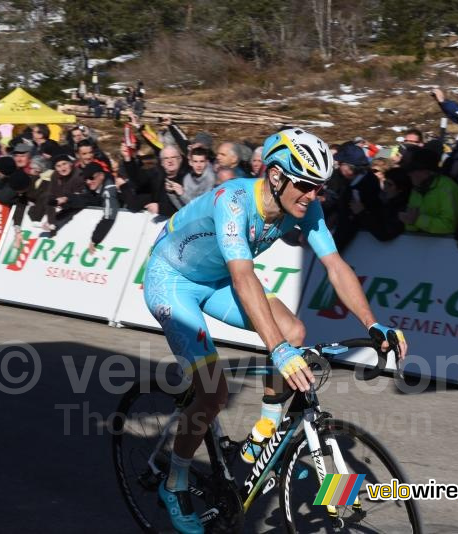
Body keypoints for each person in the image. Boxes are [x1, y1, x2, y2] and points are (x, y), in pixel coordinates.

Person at [143, 128, 408, 533]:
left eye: (319, 188)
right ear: (276, 176)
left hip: (215, 278)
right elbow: (243, 276)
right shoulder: (234, 201)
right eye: (305, 185)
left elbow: (335, 266)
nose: (313, 196)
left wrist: (372, 323)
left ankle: (263, 433)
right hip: (172, 279)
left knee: (294, 332)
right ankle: (174, 482)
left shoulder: (304, 206)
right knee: (213, 391)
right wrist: (278, 351)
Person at [400, 147, 458, 235]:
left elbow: (450, 226)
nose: (409, 174)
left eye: (413, 170)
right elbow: (412, 226)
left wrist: (417, 220)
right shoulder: (416, 189)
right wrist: (409, 222)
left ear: (428, 172)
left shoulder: (447, 188)